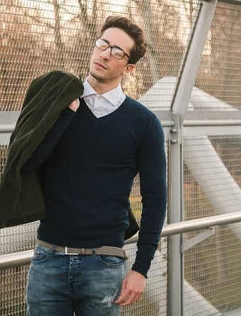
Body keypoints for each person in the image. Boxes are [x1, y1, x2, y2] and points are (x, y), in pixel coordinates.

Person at [23, 16, 167, 315]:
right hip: (48, 258)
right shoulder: (55, 105)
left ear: (128, 68)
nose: (105, 54)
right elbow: (27, 166)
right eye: (103, 44)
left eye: (117, 52)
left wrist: (141, 269)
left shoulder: (144, 124)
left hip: (105, 264)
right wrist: (63, 116)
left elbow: (155, 199)